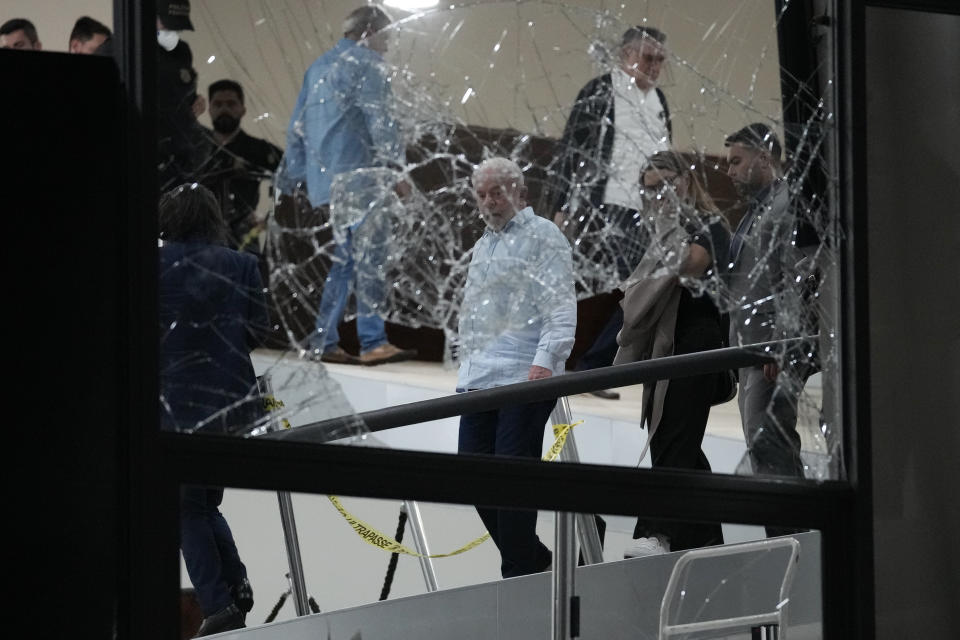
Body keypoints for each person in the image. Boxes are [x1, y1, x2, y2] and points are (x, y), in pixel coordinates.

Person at [456, 158, 576, 578]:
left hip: (523, 374)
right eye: (482, 194)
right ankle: (535, 559)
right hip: (477, 379)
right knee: (472, 478)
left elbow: (561, 305)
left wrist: (546, 363)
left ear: (520, 194)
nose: (490, 201)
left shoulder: (544, 235)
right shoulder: (483, 245)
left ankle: (519, 571)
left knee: (510, 478)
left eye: (498, 192)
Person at [277, 5, 415, 366]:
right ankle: (373, 340)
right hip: (361, 176)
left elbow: (297, 127)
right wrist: (397, 171)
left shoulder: (318, 68)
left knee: (345, 261)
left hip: (326, 181)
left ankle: (324, 339)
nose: (390, 42)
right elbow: (380, 121)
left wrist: (292, 178)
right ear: (370, 31)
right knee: (370, 257)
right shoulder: (367, 65)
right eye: (387, 34)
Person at [158, 183, 266, 636]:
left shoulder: (153, 264)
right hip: (232, 406)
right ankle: (236, 588)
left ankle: (218, 603)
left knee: (186, 507)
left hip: (175, 406)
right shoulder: (244, 264)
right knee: (204, 501)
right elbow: (257, 331)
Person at [614, 151, 730, 557]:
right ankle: (706, 537)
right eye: (649, 189)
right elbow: (634, 285)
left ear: (685, 180)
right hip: (665, 346)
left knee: (675, 439)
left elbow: (689, 266)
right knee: (677, 441)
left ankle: (658, 532)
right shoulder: (655, 232)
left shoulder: (710, 225)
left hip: (696, 343)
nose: (658, 195)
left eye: (665, 184)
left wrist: (651, 271)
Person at [549, 26, 673, 400]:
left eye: (660, 60)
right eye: (647, 57)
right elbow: (571, 148)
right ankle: (584, 366)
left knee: (636, 290)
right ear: (625, 55)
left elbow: (667, 158)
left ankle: (591, 367)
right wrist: (559, 205)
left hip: (643, 211)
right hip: (600, 205)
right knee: (594, 287)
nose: (654, 66)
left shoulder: (660, 100)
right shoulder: (600, 91)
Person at [724, 123, 813, 481]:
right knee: (763, 441)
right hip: (752, 347)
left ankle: (794, 532)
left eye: (735, 161)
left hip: (770, 350)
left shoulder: (785, 205)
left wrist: (781, 344)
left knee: (768, 442)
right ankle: (795, 533)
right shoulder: (755, 210)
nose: (729, 170)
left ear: (763, 157)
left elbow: (797, 279)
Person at [197, 79, 282, 254]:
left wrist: (270, 219)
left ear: (242, 109)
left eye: (231, 104)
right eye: (218, 104)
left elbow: (290, 178)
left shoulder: (258, 149)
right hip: (199, 240)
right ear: (210, 109)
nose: (224, 109)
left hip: (244, 241)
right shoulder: (196, 147)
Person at [156, 0, 204, 191]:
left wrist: (194, 103)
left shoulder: (182, 52)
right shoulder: (130, 49)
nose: (172, 33)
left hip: (179, 153)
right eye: (167, 25)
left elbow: (183, 90)